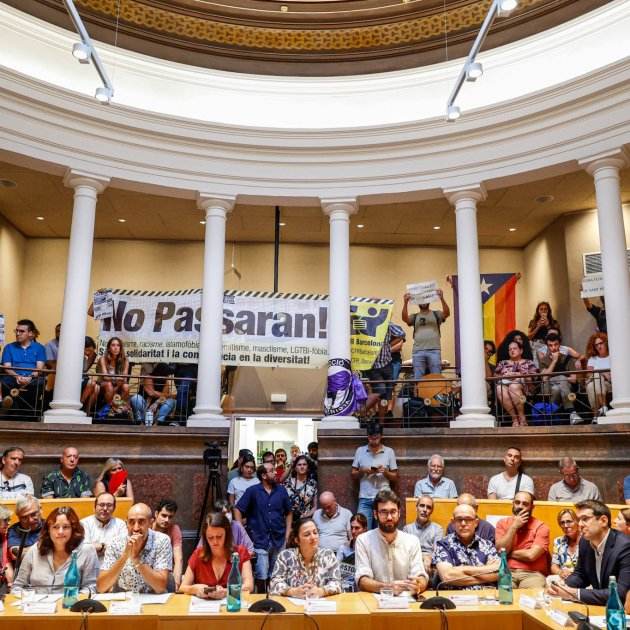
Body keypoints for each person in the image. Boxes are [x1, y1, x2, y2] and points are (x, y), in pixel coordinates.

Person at [548, 500, 630, 605]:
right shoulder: (585, 542)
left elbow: (620, 594)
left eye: (585, 519)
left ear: (603, 521)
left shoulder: (625, 546)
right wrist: (561, 586)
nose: (580, 524)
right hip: (600, 606)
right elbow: (580, 575)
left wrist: (572, 593)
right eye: (579, 520)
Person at [355, 489, 428, 595]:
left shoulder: (412, 541)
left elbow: (421, 576)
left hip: (406, 600)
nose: (389, 517)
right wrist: (388, 588)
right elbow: (362, 581)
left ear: (399, 513)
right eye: (384, 512)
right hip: (374, 601)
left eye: (393, 512)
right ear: (375, 514)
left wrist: (419, 585)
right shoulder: (363, 540)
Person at [12, 506, 99, 593]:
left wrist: (71, 599)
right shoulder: (35, 550)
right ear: (48, 530)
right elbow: (18, 586)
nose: (60, 532)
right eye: (55, 527)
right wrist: (28, 597)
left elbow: (91, 588)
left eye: (66, 527)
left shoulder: (87, 551)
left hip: (71, 601)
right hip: (36, 601)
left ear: (73, 529)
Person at [235, 462, 292, 592]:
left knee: (277, 575)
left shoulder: (281, 490)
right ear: (264, 475)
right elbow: (238, 509)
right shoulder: (253, 491)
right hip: (260, 539)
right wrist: (241, 530)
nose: (275, 472)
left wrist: (288, 532)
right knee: (262, 575)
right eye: (271, 471)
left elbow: (289, 512)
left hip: (279, 538)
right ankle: (261, 599)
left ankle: (275, 599)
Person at [98, 502, 173, 594]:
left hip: (153, 598)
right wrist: (125, 555)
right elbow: (101, 587)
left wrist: (137, 559)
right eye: (131, 522)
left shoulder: (162, 541)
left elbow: (160, 587)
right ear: (126, 523)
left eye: (141, 522)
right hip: (123, 598)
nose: (136, 528)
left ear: (151, 523)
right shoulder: (115, 543)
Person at [179, 511, 253, 598]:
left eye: (219, 537)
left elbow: (249, 586)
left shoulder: (240, 552)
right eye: (210, 538)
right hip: (204, 605)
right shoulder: (198, 555)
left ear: (227, 534)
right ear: (205, 537)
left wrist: (225, 592)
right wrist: (195, 589)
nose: (215, 542)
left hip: (232, 603)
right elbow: (182, 587)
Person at [269, 517, 342, 597]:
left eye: (315, 532)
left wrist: (321, 591)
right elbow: (274, 584)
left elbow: (337, 584)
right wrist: (292, 591)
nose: (313, 537)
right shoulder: (285, 556)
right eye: (307, 534)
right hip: (292, 603)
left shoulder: (328, 555)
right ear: (297, 540)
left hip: (320, 603)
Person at [433, 503, 500, 590]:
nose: (463, 523)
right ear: (453, 522)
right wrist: (486, 571)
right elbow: (447, 577)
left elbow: (499, 573)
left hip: (486, 596)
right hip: (455, 597)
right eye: (459, 519)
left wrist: (462, 570)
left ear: (476, 523)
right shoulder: (443, 545)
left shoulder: (488, 545)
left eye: (468, 519)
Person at [495, 491, 550, 588]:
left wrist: (508, 553)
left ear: (532, 507)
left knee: (531, 595)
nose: (520, 506)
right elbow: (501, 549)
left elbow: (531, 555)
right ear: (513, 504)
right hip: (507, 571)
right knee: (505, 593)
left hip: (533, 574)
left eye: (525, 504)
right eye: (517, 502)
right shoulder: (502, 523)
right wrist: (514, 526)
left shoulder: (541, 527)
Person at [351, 422, 398, 529]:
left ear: (381, 436)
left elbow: (395, 477)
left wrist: (385, 472)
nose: (373, 440)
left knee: (383, 529)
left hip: (384, 497)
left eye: (376, 438)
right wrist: (362, 471)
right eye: (370, 438)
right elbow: (353, 475)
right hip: (365, 497)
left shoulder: (389, 452)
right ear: (368, 436)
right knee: (362, 528)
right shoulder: (360, 451)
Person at [402, 289, 450, 379]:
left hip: (434, 350)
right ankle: (419, 389)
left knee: (436, 377)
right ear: (417, 303)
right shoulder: (415, 316)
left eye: (425, 300)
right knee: (418, 378)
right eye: (421, 300)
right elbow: (405, 319)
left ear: (429, 301)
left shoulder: (436, 314)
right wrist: (405, 303)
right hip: (418, 351)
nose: (423, 302)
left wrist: (442, 298)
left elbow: (447, 313)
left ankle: (436, 389)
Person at [1, 318, 46, 410]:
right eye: (16, 331)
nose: (18, 333)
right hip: (13, 378)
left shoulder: (40, 348)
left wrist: (30, 377)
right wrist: (17, 377)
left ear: (30, 333)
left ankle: (25, 410)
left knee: (39, 383)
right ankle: (9, 406)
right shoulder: (9, 347)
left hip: (33, 380)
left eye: (21, 331)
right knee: (6, 380)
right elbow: (7, 367)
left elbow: (39, 368)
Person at [538, 332, 583, 424]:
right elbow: (544, 378)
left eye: (556, 344)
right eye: (550, 345)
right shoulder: (544, 360)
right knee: (561, 378)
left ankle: (552, 417)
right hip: (548, 388)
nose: (553, 348)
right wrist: (554, 361)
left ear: (559, 345)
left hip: (565, 387)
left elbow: (574, 379)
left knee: (557, 389)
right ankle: (572, 413)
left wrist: (562, 380)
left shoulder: (567, 358)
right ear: (547, 346)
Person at [494, 340, 538, 426]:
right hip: (506, 385)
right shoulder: (503, 363)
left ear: (521, 351)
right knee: (499, 388)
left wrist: (518, 375)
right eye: (510, 349)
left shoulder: (528, 362)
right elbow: (495, 376)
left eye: (514, 348)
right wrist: (505, 376)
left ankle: (522, 417)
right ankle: (514, 418)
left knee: (513, 386)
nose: (512, 351)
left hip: (525, 389)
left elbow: (534, 377)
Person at [81, 492, 127, 562]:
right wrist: (104, 547)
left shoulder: (120, 524)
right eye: (101, 505)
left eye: (109, 505)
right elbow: (84, 549)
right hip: (90, 566)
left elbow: (122, 549)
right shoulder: (84, 523)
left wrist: (97, 547)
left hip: (113, 567)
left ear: (114, 508)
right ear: (95, 507)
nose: (105, 508)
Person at [403, 495, 444, 574]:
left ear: (431, 511)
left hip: (430, 565)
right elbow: (406, 553)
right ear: (416, 508)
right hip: (412, 563)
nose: (425, 510)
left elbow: (437, 553)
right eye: (422, 506)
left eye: (428, 507)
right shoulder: (407, 529)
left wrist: (429, 558)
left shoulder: (438, 529)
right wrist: (424, 557)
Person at [153, 499, 183, 589]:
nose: (167, 520)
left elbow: (178, 559)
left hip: (166, 574)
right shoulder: (148, 527)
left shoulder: (174, 529)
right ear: (156, 514)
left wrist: (176, 583)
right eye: (164, 515)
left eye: (170, 517)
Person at [584, 332, 611, 419]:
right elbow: (589, 375)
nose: (599, 346)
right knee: (591, 385)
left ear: (606, 343)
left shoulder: (613, 357)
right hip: (596, 383)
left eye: (601, 343)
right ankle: (603, 408)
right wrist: (602, 373)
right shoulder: (592, 359)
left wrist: (599, 373)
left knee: (595, 376)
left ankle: (596, 416)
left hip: (609, 384)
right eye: (596, 345)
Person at [337, 513, 368, 591]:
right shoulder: (343, 548)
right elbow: (336, 572)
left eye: (357, 528)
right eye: (352, 528)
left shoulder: (370, 549)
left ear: (365, 529)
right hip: (345, 588)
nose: (353, 531)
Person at [284, 454, 318, 521]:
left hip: (305, 520)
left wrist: (306, 515)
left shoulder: (313, 483)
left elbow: (315, 506)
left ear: (308, 467)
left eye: (304, 464)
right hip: (288, 520)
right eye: (299, 465)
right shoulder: (287, 483)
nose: (302, 467)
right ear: (295, 468)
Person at [98, 337, 130, 405]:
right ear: (109, 348)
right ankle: (110, 407)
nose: (116, 348)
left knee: (126, 386)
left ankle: (118, 406)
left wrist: (116, 387)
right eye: (113, 345)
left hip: (118, 384)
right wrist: (118, 378)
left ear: (120, 348)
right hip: (104, 385)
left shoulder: (125, 360)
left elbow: (124, 378)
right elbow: (105, 377)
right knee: (109, 384)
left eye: (118, 345)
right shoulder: (103, 359)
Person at [550, 508, 580, 579]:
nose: (565, 525)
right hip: (564, 577)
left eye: (569, 521)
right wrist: (560, 572)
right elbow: (554, 566)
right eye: (562, 523)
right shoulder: (558, 541)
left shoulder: (587, 541)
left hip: (581, 578)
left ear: (577, 522)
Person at [80, 336, 100, 413]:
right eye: (87, 350)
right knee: (92, 382)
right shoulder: (75, 355)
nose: (88, 353)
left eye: (91, 351)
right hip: (75, 379)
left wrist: (92, 356)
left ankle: (87, 411)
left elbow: (85, 369)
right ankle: (80, 405)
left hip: (83, 378)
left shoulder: (86, 357)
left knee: (97, 388)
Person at [0, 505, 15, 588]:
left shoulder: (4, 538)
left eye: (9, 520)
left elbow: (6, 562)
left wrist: (11, 583)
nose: (8, 523)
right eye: (5, 520)